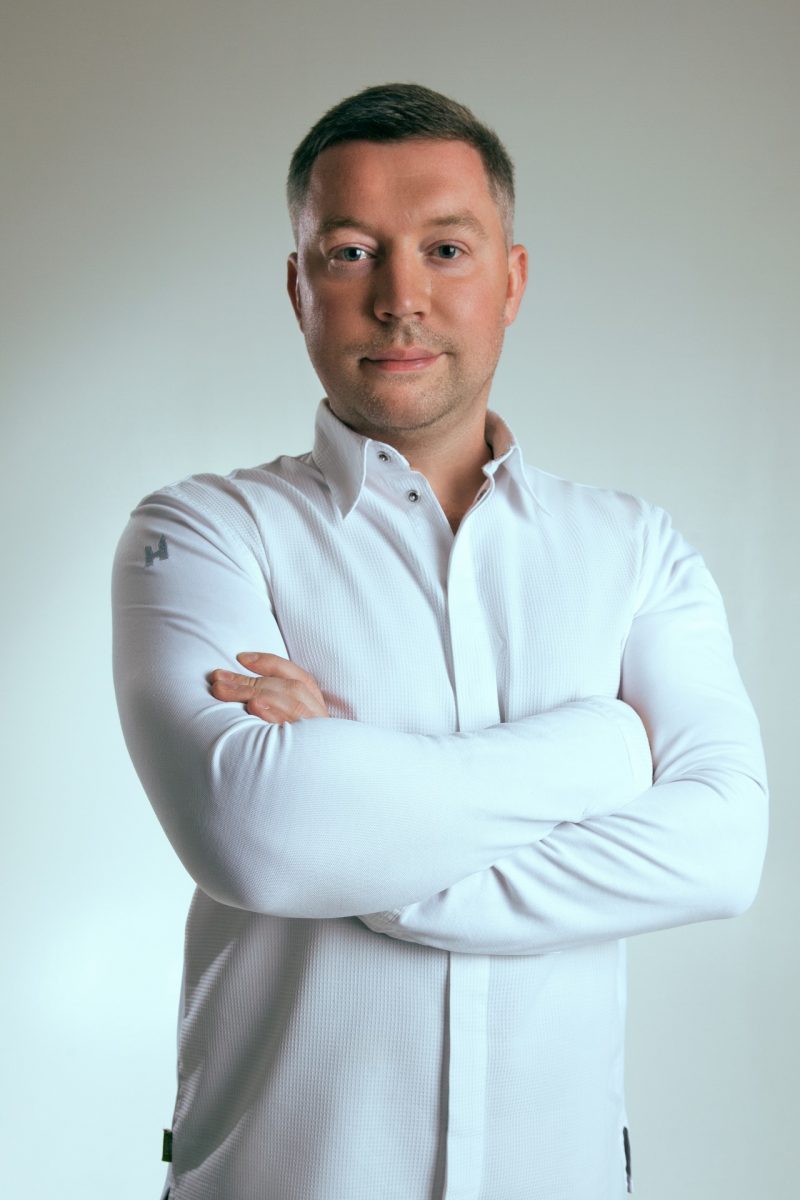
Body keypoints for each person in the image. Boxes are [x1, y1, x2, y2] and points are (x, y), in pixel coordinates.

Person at [112, 83, 768, 1200]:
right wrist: (607, 749)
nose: (399, 298)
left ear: (511, 281)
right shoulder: (202, 533)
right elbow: (257, 837)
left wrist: (355, 843)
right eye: (351, 253)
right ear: (298, 287)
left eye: (447, 249)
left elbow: (720, 850)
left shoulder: (636, 551)